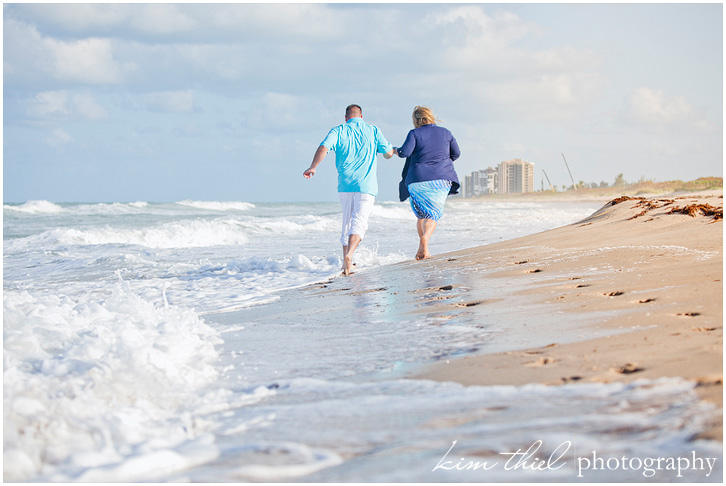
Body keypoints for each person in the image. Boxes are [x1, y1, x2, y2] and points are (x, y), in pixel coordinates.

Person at [304, 104, 395, 275]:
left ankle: (346, 261)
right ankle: (350, 255)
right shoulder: (373, 130)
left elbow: (324, 147)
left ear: (346, 118)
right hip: (366, 186)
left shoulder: (338, 130)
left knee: (346, 223)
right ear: (362, 116)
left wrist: (313, 167)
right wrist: (383, 152)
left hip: (345, 185)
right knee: (359, 222)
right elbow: (389, 152)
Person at [395, 106, 460, 260]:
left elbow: (404, 152)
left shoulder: (414, 133)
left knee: (421, 214)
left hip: (417, 180)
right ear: (430, 117)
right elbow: (456, 153)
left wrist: (394, 150)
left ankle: (423, 247)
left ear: (415, 120)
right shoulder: (446, 133)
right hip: (441, 180)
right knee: (433, 214)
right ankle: (425, 240)